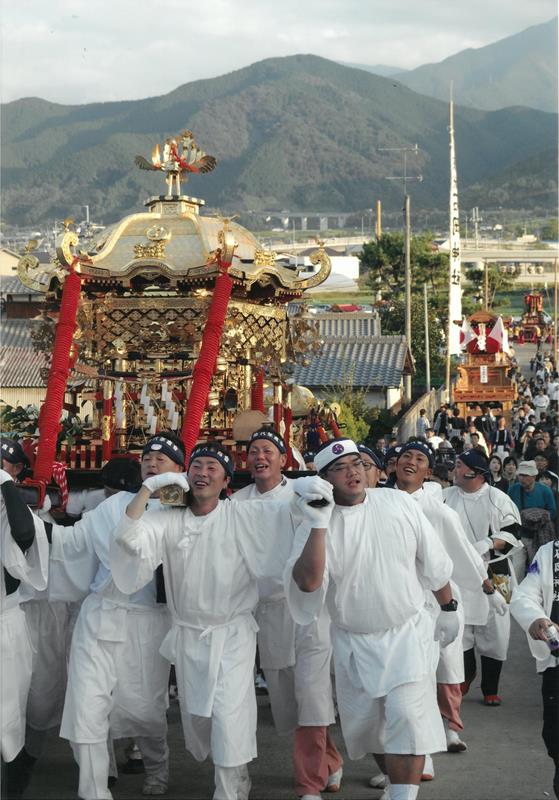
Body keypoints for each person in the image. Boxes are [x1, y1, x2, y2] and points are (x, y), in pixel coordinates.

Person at [110, 441, 323, 800]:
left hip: (232, 635)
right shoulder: (166, 517)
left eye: (213, 467)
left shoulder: (242, 514)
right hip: (189, 635)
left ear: (226, 481)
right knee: (200, 720)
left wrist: (311, 493)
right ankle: (236, 775)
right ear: (185, 474)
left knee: (229, 715)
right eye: (197, 466)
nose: (203, 473)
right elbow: (127, 537)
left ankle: (226, 790)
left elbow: (290, 512)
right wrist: (149, 487)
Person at [287, 437, 457, 800]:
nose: (353, 472)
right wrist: (318, 522)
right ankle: (396, 784)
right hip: (354, 643)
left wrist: (449, 608)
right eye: (340, 468)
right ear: (325, 480)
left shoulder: (396, 502)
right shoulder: (316, 521)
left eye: (357, 463)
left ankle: (402, 796)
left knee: (407, 719)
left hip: (406, 634)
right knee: (375, 732)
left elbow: (433, 559)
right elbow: (309, 582)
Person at [44, 434, 187, 800]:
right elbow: (73, 542)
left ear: (179, 468)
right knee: (87, 703)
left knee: (146, 707)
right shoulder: (113, 507)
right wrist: (35, 522)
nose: (152, 464)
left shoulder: (183, 509)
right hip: (100, 616)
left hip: (148, 621)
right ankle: (93, 789)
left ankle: (157, 768)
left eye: (162, 459)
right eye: (147, 458)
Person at [20, 458, 144, 790]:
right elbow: (67, 542)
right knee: (102, 696)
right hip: (102, 617)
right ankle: (107, 773)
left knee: (120, 698)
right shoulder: (102, 513)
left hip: (126, 620)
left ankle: (128, 758)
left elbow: (64, 543)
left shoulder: (147, 512)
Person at [233, 429, 343, 798]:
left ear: (284, 459)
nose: (259, 456)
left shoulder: (302, 494)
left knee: (312, 694)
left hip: (308, 609)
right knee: (287, 700)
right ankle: (329, 758)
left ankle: (308, 784)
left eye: (268, 450)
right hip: (267, 613)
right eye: (253, 451)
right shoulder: (235, 503)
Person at [388, 443, 492, 764]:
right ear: (394, 463)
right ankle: (407, 744)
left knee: (447, 665)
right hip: (395, 600)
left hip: (437, 599)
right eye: (406, 456)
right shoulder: (378, 500)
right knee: (405, 673)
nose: (411, 462)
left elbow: (462, 549)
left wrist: (484, 581)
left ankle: (451, 727)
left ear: (428, 472)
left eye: (420, 459)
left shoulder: (437, 510)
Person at [443, 450, 523, 706]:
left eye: (458, 465)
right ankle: (466, 674)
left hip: (495, 571)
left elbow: (513, 533)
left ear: (473, 472)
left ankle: (491, 687)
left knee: (495, 630)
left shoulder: (497, 498)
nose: (453, 470)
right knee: (461, 626)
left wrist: (487, 544)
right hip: (459, 572)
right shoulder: (445, 497)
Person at [0, 448, 48, 800]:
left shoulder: (11, 509)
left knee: (6, 717)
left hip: (4, 628)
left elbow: (23, 534)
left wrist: (5, 485)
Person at [510, 540, 559, 799]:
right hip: (556, 661)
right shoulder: (549, 552)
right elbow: (525, 595)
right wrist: (536, 618)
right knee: (554, 734)